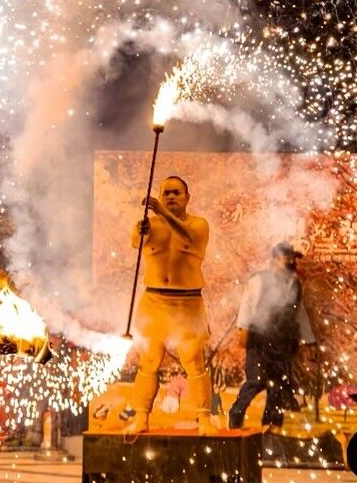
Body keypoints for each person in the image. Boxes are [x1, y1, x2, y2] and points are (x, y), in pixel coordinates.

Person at [122, 176, 217, 435]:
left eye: (176, 193)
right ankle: (141, 418)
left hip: (187, 302)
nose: (171, 197)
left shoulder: (199, 225)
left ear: (187, 197)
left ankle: (204, 419)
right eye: (166, 194)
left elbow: (187, 236)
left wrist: (162, 212)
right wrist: (140, 231)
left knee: (194, 362)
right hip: (154, 301)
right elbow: (135, 242)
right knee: (148, 362)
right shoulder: (149, 224)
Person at [228, 242, 317, 430]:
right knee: (256, 380)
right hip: (260, 338)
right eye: (288, 258)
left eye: (293, 258)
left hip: (284, 341)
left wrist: (309, 341)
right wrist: (242, 329)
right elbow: (247, 304)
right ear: (276, 260)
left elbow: (300, 313)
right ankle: (236, 414)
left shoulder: (295, 284)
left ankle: (271, 427)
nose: (292, 261)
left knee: (278, 385)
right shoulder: (259, 280)